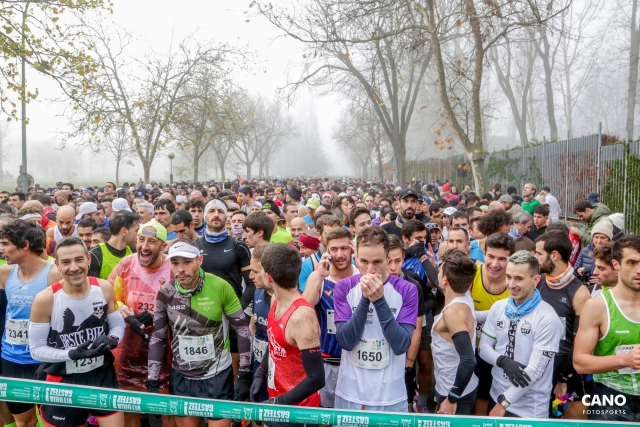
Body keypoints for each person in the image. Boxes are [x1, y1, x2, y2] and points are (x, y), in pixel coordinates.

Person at [147, 239, 252, 427]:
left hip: (217, 375)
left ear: (199, 261)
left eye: (187, 262)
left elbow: (242, 329)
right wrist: (152, 380)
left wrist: (244, 373)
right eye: (175, 263)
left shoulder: (220, 286)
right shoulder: (166, 292)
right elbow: (158, 336)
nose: (180, 269)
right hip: (182, 376)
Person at [29, 236, 126, 427]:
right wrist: (71, 354)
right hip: (63, 379)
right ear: (57, 265)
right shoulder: (45, 299)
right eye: (66, 262)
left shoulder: (104, 288)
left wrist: (112, 340)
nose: (74, 267)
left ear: (88, 260)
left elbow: (117, 325)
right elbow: (36, 349)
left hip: (101, 375)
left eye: (79, 260)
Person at [333, 227, 418, 412]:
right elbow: (346, 341)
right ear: (355, 258)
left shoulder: (407, 290)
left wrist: (379, 301)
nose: (370, 270)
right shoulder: (343, 287)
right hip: (351, 392)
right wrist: (365, 298)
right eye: (364, 261)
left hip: (390, 394)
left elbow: (401, 345)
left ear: (388, 259)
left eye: (377, 262)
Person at [479, 250, 562, 418]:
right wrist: (501, 361)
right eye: (508, 277)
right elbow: (483, 347)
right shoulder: (498, 307)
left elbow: (535, 372)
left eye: (519, 279)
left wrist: (504, 403)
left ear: (536, 280)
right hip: (496, 395)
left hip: (529, 409)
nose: (511, 284)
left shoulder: (548, 317)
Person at [108, 221, 172, 427]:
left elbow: (187, 305)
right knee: (129, 403)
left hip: (164, 348)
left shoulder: (173, 267)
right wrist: (125, 313)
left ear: (163, 246)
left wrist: (160, 317)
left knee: (166, 407)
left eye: (151, 242)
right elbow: (111, 297)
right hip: (130, 345)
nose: (144, 246)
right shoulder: (126, 264)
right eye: (141, 240)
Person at [250, 244, 325, 414]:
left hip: (299, 411)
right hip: (277, 399)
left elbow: (317, 378)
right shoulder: (276, 301)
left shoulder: (302, 318)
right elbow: (275, 341)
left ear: (268, 276)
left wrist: (278, 403)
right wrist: (261, 372)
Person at [0, 221, 61, 427]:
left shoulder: (54, 274)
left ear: (25, 245)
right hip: (11, 358)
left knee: (51, 420)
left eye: (5, 243)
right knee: (23, 421)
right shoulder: (4, 273)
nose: (2, 249)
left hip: (45, 360)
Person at [573, 235, 640, 422]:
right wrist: (625, 360)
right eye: (632, 262)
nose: (639, 270)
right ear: (616, 265)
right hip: (611, 399)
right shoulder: (597, 307)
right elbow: (580, 363)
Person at [534, 231, 590, 419]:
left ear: (554, 255)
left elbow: (580, 341)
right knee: (545, 419)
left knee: (565, 418)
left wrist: (564, 378)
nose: (536, 257)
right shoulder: (539, 281)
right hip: (540, 370)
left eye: (539, 253)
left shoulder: (580, 292)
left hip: (566, 376)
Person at [302, 227, 359, 409]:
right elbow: (303, 310)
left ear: (352, 248)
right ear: (326, 251)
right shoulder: (318, 276)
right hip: (327, 362)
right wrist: (319, 276)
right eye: (334, 249)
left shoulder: (362, 276)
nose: (340, 255)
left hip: (356, 362)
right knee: (325, 417)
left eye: (344, 248)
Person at [470, 232, 514, 416]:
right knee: (477, 397)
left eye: (502, 259)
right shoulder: (472, 275)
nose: (495, 264)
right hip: (473, 351)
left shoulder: (515, 283)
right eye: (491, 257)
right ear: (483, 253)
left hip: (502, 356)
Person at [432, 250, 479, 414]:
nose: (437, 272)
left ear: (445, 280)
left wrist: (452, 398)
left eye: (439, 269)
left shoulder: (453, 314)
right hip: (465, 387)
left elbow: (468, 360)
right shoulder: (467, 295)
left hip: (453, 393)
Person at [248, 243, 271, 404]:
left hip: (279, 370)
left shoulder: (289, 300)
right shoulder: (257, 291)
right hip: (258, 364)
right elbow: (253, 325)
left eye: (255, 272)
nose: (250, 276)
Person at [88, 211, 139, 279]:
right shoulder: (95, 255)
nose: (139, 234)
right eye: (137, 231)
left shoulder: (135, 251)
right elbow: (93, 286)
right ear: (124, 231)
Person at [298, 215, 341, 291]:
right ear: (319, 236)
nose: (334, 238)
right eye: (329, 234)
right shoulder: (308, 265)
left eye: (338, 234)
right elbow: (305, 298)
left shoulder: (350, 259)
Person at [575, 219, 613, 284]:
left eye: (603, 238)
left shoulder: (614, 254)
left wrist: (603, 281)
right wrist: (578, 271)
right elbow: (574, 270)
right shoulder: (584, 251)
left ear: (609, 239)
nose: (598, 241)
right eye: (596, 237)